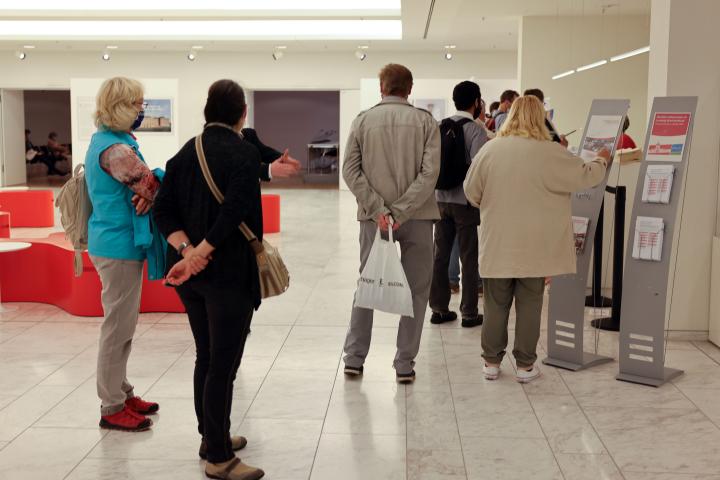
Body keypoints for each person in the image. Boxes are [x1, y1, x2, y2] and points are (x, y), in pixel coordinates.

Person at [154, 79, 265, 480]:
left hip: (189, 276)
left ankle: (210, 435)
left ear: (206, 111)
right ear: (242, 114)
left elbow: (162, 210)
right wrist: (201, 253)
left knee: (207, 355)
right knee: (224, 363)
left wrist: (187, 253)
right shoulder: (244, 153)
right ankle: (218, 457)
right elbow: (234, 211)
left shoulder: (185, 152)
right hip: (228, 274)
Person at [463, 95, 610, 383]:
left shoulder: (491, 150)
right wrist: (603, 159)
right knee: (530, 305)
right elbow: (584, 175)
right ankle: (525, 366)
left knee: (495, 304)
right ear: (541, 118)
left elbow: (471, 191)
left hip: (498, 241)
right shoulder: (550, 152)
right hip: (535, 245)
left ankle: (491, 363)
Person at [342, 63, 440, 384]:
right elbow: (429, 175)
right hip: (419, 217)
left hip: (374, 219)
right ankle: (404, 363)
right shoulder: (426, 123)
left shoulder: (363, 121)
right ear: (409, 89)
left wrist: (378, 209)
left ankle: (354, 358)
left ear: (381, 87)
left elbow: (351, 171)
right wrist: (401, 211)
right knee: (417, 289)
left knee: (367, 283)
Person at [84, 77, 162, 432]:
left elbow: (146, 188)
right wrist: (152, 186)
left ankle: (122, 390)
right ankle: (111, 405)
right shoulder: (114, 150)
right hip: (117, 246)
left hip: (119, 243)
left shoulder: (114, 141)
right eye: (137, 104)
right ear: (120, 106)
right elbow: (151, 184)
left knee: (124, 325)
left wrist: (148, 190)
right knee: (117, 327)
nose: (142, 110)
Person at [429, 80, 487, 328]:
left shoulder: (440, 126)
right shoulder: (476, 130)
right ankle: (469, 313)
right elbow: (479, 167)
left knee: (440, 255)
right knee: (469, 256)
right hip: (465, 202)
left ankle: (439, 309)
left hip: (440, 200)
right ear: (476, 102)